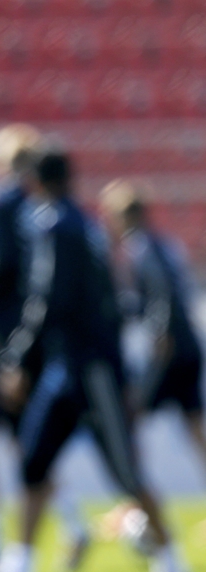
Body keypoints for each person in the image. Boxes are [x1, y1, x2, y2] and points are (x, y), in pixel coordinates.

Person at [0, 152, 189, 572]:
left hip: (92, 369)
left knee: (125, 471)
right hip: (68, 367)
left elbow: (49, 298)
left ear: (36, 182)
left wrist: (17, 357)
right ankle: (18, 571)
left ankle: (173, 568)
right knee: (33, 461)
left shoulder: (57, 226)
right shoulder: (84, 225)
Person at [0, 125, 88, 572]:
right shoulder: (44, 206)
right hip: (35, 336)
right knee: (24, 440)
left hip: (3, 334)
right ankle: (72, 522)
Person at [99, 179, 206, 481]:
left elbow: (162, 294)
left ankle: (136, 491)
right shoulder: (165, 244)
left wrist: (159, 332)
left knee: (130, 417)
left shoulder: (141, 248)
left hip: (168, 348)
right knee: (193, 425)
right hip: (187, 344)